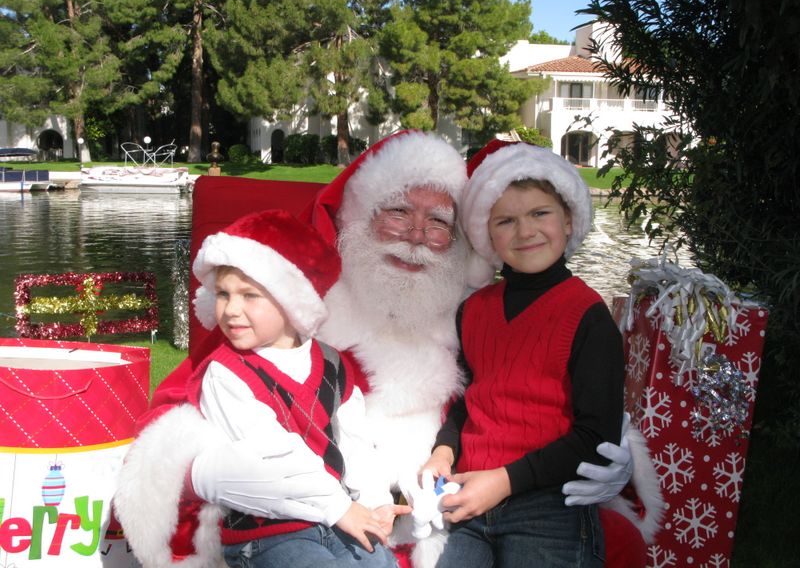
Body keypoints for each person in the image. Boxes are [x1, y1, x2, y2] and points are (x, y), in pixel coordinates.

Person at [115, 131, 659, 568]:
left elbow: (535, 392)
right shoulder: (303, 311)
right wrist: (211, 468)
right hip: (330, 516)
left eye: (439, 222)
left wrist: (613, 460)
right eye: (398, 212)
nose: (417, 235)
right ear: (361, 217)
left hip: (470, 505)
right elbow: (198, 400)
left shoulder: (472, 308)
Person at [117, 209, 409, 568]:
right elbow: (271, 459)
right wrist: (340, 508)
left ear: (291, 301)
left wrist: (375, 502)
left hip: (335, 517)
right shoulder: (226, 373)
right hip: (269, 531)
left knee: (382, 564)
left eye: (250, 295)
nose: (231, 309)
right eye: (223, 294)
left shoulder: (332, 364)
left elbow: (357, 443)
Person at [421, 139, 621, 567]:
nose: (525, 232)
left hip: (549, 502)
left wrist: (506, 481)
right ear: (486, 234)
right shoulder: (474, 309)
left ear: (568, 220)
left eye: (539, 214)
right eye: (506, 221)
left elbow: (597, 436)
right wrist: (444, 450)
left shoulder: (587, 315)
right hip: (470, 498)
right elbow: (469, 399)